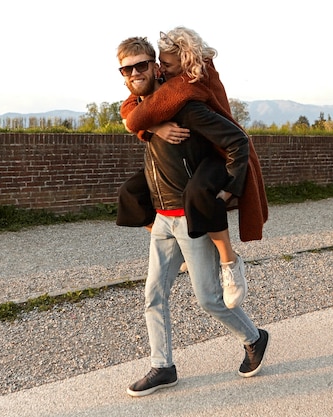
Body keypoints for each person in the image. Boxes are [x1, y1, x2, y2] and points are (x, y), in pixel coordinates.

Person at [116, 35, 269, 397]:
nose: (135, 72)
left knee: (209, 299)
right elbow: (130, 115)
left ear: (156, 66)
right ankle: (162, 366)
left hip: (190, 219)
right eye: (127, 68)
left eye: (142, 64)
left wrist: (230, 188)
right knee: (153, 295)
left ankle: (254, 337)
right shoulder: (142, 111)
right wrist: (151, 126)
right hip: (162, 219)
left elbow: (237, 141)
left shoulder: (183, 105)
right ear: (122, 74)